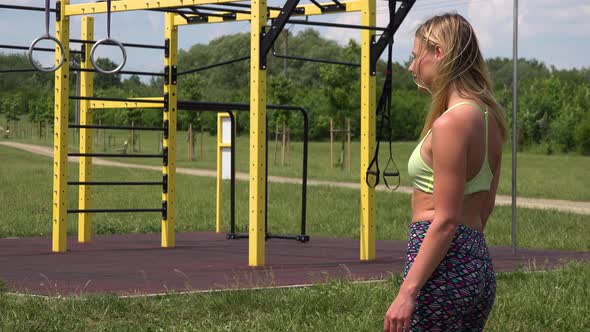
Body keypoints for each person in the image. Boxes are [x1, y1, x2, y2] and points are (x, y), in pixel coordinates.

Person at [383, 13, 510, 332]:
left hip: (443, 263)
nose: (412, 67)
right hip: (477, 260)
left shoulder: (451, 123)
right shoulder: (488, 118)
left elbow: (446, 218)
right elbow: (485, 207)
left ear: (439, 52)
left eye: (415, 56)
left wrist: (407, 292)